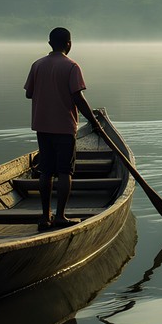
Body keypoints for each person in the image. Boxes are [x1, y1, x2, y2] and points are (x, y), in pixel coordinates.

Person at [24, 27, 109, 231]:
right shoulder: (71, 66)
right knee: (64, 172)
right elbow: (78, 98)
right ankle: (60, 216)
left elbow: (29, 94)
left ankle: (45, 217)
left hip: (42, 125)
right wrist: (94, 121)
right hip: (64, 127)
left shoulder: (37, 65)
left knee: (45, 171)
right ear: (69, 44)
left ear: (49, 43)